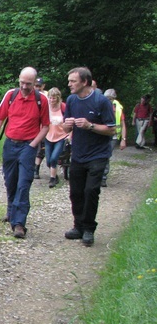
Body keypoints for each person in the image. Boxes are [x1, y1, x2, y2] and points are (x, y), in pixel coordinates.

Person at [0, 67, 50, 239]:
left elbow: (45, 126)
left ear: (34, 82)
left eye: (28, 84)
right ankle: (11, 210)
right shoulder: (10, 95)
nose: (24, 86)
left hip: (28, 146)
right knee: (11, 181)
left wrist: (33, 145)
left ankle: (19, 223)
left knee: (24, 183)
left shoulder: (41, 100)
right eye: (21, 82)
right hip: (10, 145)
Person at [62, 67, 116, 246]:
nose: (69, 84)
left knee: (91, 190)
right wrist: (67, 125)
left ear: (84, 82)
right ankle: (78, 226)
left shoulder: (101, 101)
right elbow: (65, 128)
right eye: (69, 81)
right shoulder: (71, 100)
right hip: (78, 153)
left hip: (98, 155)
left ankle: (88, 229)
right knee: (76, 192)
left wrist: (90, 126)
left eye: (73, 81)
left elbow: (111, 130)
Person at [44, 87, 69, 188]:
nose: (51, 100)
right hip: (48, 136)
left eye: (54, 98)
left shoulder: (63, 107)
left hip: (61, 136)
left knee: (54, 158)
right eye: (50, 98)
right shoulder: (46, 107)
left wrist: (68, 132)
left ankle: (52, 179)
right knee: (48, 160)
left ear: (58, 98)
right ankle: (55, 175)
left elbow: (69, 122)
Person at [102, 89, 127, 187]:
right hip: (102, 134)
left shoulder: (118, 108)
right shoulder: (101, 106)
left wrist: (123, 140)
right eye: (107, 98)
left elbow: (123, 124)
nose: (108, 100)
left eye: (110, 99)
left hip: (113, 136)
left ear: (113, 99)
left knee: (106, 155)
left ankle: (103, 177)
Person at [33, 77, 49, 179]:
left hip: (47, 125)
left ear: (43, 86)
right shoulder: (32, 95)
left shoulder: (47, 96)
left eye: (39, 86)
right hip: (36, 126)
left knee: (42, 148)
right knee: (38, 148)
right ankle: (36, 169)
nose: (37, 88)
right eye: (36, 86)